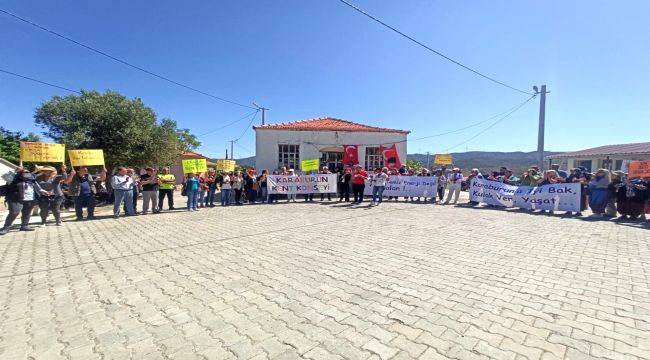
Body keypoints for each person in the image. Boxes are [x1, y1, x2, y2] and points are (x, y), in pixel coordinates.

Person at [0, 167, 48, 235]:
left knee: (27, 212)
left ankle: (24, 226)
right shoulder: (14, 179)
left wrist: (44, 192)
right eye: (25, 173)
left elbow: (38, 187)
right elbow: (5, 176)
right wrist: (16, 171)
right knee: (14, 212)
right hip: (15, 199)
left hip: (30, 198)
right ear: (20, 174)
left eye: (28, 173)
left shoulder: (32, 180)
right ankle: (6, 227)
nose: (27, 175)